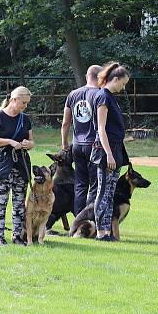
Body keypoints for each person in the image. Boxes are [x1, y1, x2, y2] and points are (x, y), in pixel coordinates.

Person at [0, 86, 34, 245]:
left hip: (20, 164)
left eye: (27, 103)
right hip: (3, 165)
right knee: (1, 202)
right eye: (23, 102)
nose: (25, 106)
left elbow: (32, 142)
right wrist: (8, 141)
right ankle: (0, 236)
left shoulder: (25, 119)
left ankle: (17, 236)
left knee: (19, 203)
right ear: (14, 100)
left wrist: (28, 144)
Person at [90, 62, 131, 241]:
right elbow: (101, 128)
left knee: (110, 193)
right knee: (103, 192)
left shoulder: (111, 97)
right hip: (106, 151)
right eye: (123, 84)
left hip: (115, 150)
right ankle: (101, 232)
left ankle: (108, 232)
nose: (123, 88)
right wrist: (108, 154)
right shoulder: (103, 97)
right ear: (115, 79)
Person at [61, 64, 102, 216]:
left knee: (80, 184)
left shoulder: (73, 94)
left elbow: (66, 123)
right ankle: (89, 219)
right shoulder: (100, 95)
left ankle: (78, 219)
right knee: (94, 185)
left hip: (77, 144)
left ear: (87, 76)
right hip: (94, 145)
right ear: (100, 77)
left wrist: (65, 144)